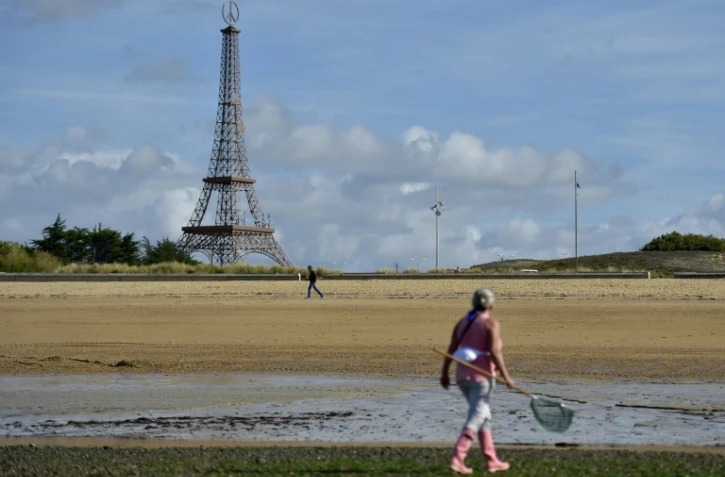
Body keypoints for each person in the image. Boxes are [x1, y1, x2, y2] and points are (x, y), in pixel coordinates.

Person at [440, 286, 515, 474]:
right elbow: (494, 352)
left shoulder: (463, 322)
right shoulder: (490, 323)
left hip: (463, 377)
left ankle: (491, 460)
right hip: (482, 377)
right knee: (477, 416)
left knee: (484, 417)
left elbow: (452, 348)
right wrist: (506, 377)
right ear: (492, 304)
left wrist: (445, 373)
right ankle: (458, 458)